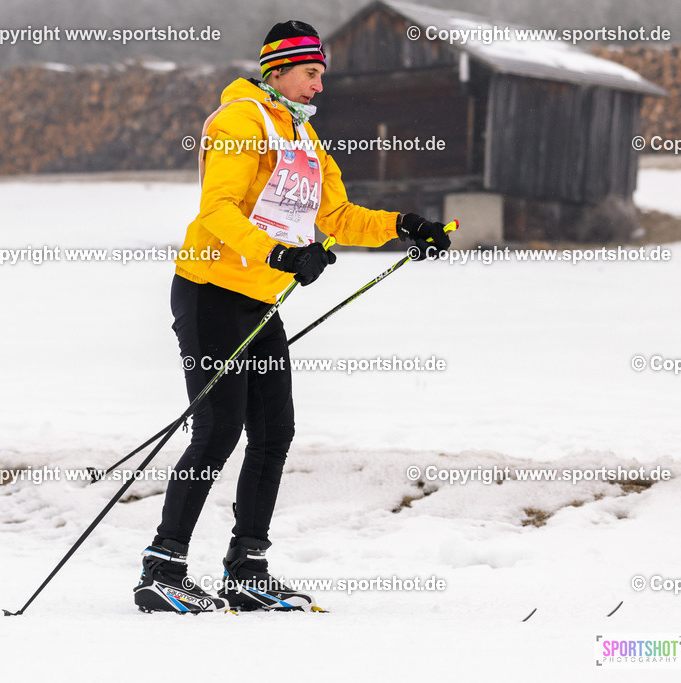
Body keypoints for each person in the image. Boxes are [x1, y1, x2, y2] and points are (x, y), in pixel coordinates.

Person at [132, 20, 451, 614]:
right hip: (210, 291)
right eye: (311, 73)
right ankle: (162, 567)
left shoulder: (303, 139)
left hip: (258, 300)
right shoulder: (239, 122)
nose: (319, 86)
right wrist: (279, 253)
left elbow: (339, 217)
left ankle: (246, 568)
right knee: (219, 431)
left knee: (274, 432)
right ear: (277, 70)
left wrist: (406, 226)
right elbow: (217, 211)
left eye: (322, 75)